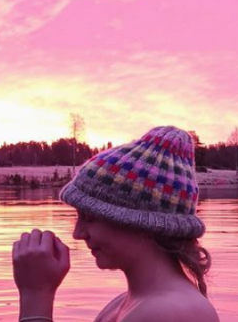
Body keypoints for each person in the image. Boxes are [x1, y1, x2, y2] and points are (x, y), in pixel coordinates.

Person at [12, 126, 220, 322]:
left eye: (90, 217)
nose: (78, 233)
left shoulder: (171, 312)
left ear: (143, 222)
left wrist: (36, 295)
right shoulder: (128, 303)